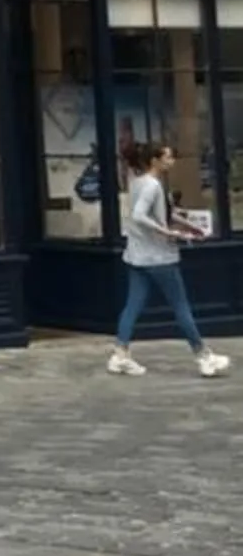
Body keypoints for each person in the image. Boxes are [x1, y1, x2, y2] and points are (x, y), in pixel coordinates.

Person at [110, 140, 231, 378]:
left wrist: (190, 227)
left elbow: (165, 212)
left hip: (137, 256)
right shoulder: (153, 185)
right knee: (180, 307)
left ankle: (120, 354)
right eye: (167, 157)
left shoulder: (138, 183)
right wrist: (169, 233)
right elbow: (139, 216)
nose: (171, 161)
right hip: (159, 258)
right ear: (154, 160)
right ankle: (204, 356)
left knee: (133, 305)